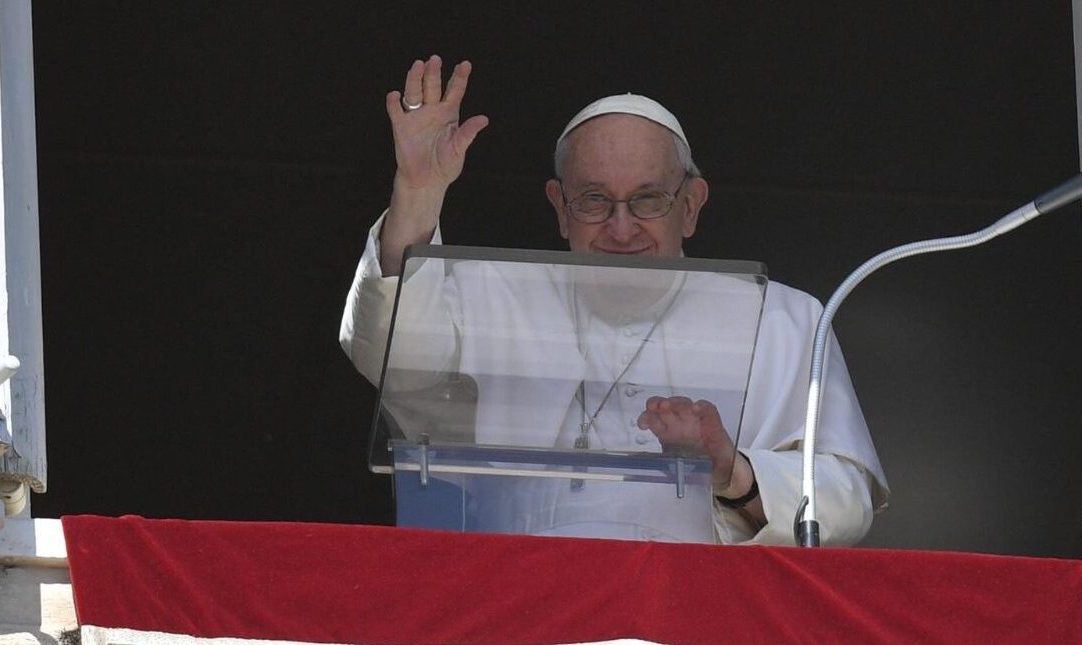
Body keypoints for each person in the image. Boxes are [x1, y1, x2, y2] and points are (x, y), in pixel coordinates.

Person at [340, 56, 887, 545]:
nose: (621, 230)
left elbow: (846, 498)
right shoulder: (490, 293)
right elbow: (388, 358)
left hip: (698, 609)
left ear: (690, 206)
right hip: (522, 600)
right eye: (595, 200)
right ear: (559, 206)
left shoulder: (785, 319)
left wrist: (733, 473)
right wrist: (416, 194)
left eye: (648, 200)